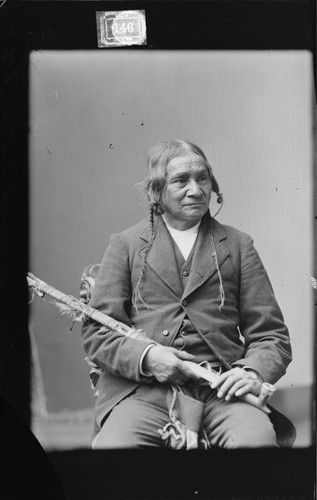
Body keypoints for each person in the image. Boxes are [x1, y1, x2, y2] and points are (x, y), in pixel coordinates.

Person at [81, 140, 292, 449]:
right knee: (115, 454)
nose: (195, 189)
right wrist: (148, 358)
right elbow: (99, 333)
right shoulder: (125, 245)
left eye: (202, 178)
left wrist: (252, 372)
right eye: (181, 180)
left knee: (256, 448)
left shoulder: (237, 245)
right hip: (145, 391)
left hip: (223, 391)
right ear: (157, 191)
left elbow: (271, 335)